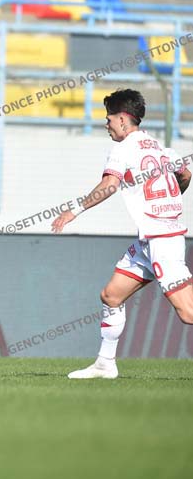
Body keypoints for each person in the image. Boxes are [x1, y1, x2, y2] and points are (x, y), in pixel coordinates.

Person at [52, 88, 193, 379]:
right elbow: (185, 174)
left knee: (188, 312)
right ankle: (105, 364)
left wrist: (73, 211)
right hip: (151, 239)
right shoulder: (160, 148)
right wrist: (169, 199)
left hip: (162, 242)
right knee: (111, 295)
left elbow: (109, 186)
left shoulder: (124, 149)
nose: (106, 124)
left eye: (109, 119)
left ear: (122, 119)